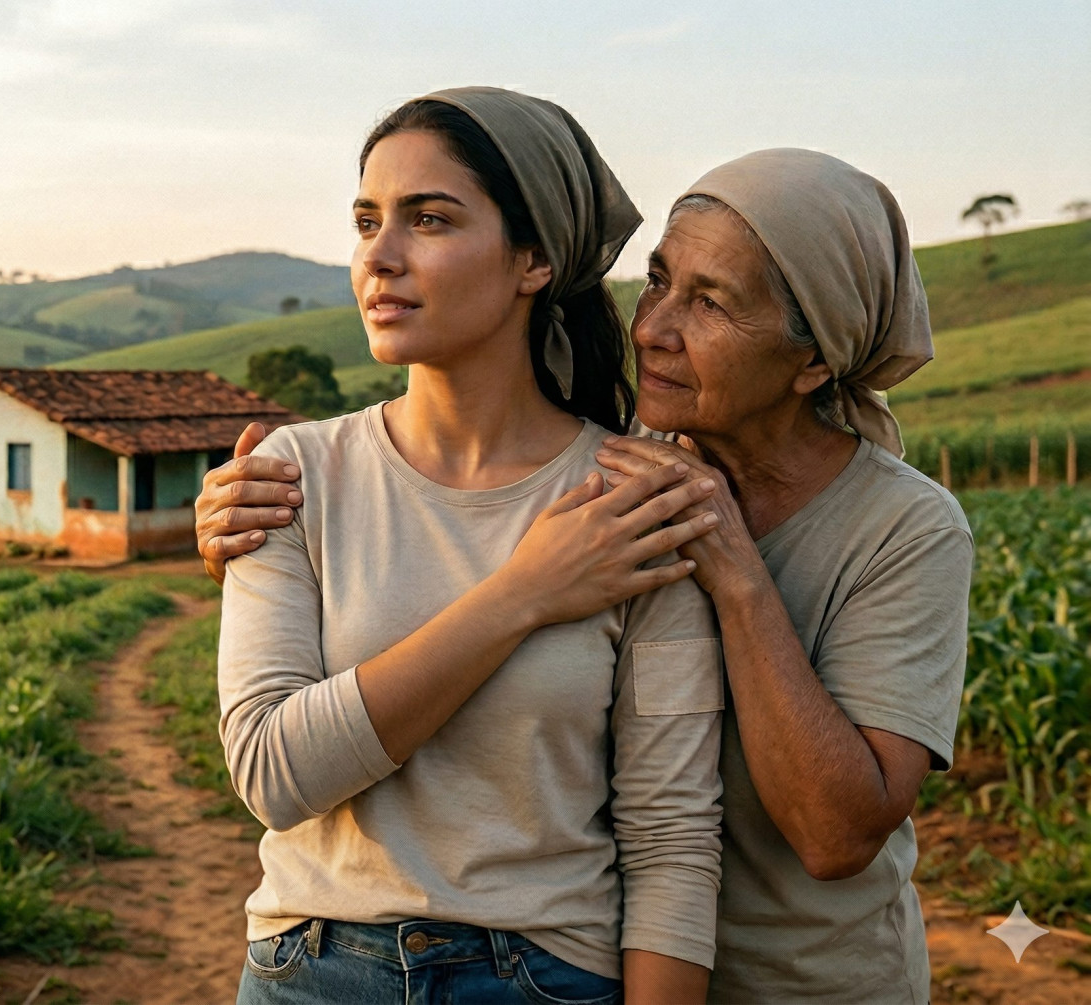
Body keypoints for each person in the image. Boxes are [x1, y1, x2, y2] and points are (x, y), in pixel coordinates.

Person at [198, 147, 973, 1003]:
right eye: (660, 282)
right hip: (610, 966)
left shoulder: (904, 528)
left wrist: (738, 576)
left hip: (801, 982)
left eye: (710, 303)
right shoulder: (628, 483)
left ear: (814, 361)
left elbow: (836, 834)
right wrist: (264, 537)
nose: (652, 329)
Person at [216, 89, 725, 1004]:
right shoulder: (293, 473)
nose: (381, 255)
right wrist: (522, 593)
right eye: (367, 220)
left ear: (533, 258)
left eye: (430, 219)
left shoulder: (638, 498)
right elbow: (272, 770)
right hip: (312, 971)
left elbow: (672, 836)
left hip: (545, 977)